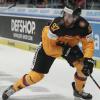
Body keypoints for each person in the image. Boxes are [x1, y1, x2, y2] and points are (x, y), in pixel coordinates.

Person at [2, 7, 95, 100]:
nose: (66, 18)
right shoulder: (56, 25)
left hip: (69, 46)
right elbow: (49, 50)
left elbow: (89, 44)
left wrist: (88, 59)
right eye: (65, 14)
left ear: (76, 17)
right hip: (50, 46)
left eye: (70, 16)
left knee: (84, 68)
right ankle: (14, 88)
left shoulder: (84, 26)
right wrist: (64, 51)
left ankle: (78, 91)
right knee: (35, 76)